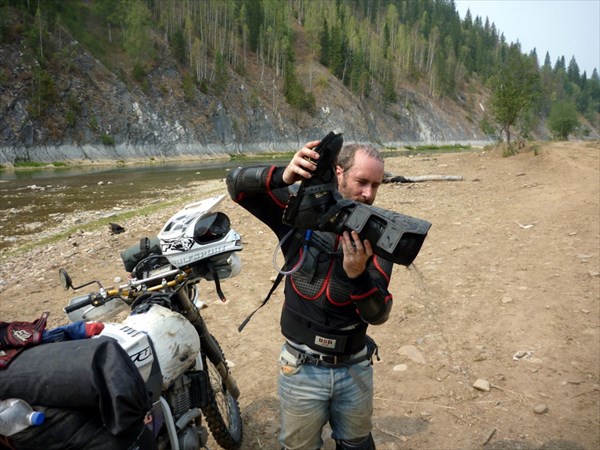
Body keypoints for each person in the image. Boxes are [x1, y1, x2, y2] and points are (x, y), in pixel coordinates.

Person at [226, 138, 394, 450]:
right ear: (339, 172)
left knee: (357, 443)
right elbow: (237, 186)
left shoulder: (379, 235)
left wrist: (357, 275)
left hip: (354, 365)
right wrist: (282, 176)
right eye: (362, 182)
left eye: (375, 185)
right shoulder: (298, 212)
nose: (369, 194)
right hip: (301, 366)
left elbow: (379, 313)